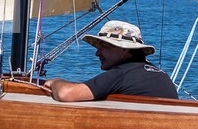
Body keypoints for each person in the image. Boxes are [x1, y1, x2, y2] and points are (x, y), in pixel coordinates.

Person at [45, 20, 179, 101]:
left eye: (104, 47)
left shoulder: (121, 74)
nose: (97, 53)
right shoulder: (160, 74)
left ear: (123, 49)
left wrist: (55, 81)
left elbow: (65, 94)